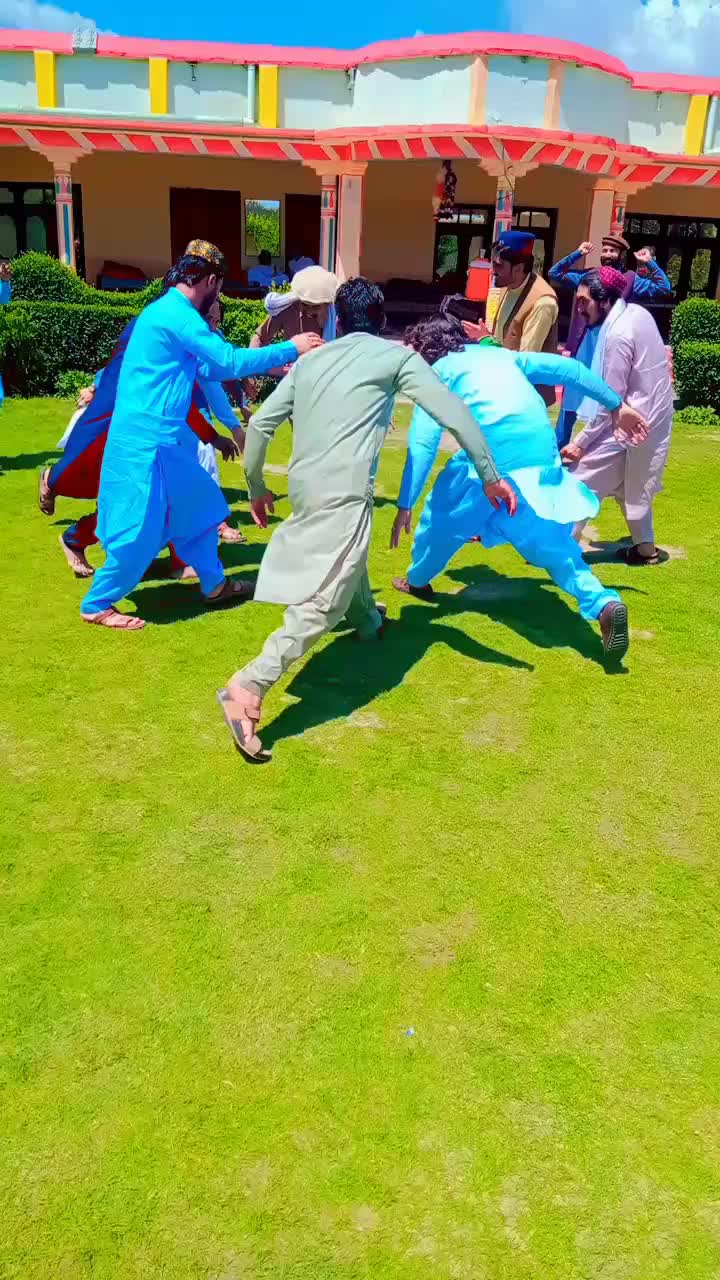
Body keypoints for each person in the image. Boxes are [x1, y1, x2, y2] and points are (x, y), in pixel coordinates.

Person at [216, 277, 517, 762]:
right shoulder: (395, 358)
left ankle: (369, 622)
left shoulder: (310, 361)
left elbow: (263, 423)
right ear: (380, 320)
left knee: (348, 562)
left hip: (305, 488)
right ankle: (249, 685)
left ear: (338, 318)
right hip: (344, 492)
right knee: (324, 600)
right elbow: (455, 414)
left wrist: (256, 487)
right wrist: (490, 476)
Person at [77, 240, 323, 630]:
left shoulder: (166, 313)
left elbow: (209, 370)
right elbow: (227, 360)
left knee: (203, 511)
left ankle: (215, 585)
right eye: (219, 288)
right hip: (148, 445)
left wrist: (277, 362)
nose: (218, 298)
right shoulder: (178, 316)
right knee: (138, 532)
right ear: (210, 281)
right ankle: (96, 603)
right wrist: (290, 348)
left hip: (165, 442)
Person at [390, 315, 648, 662]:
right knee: (554, 547)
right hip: (539, 463)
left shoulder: (438, 372)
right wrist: (617, 405)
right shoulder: (503, 355)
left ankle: (418, 579)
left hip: (487, 468)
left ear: (425, 351)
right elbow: (570, 370)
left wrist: (406, 502)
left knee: (440, 521)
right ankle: (602, 602)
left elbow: (423, 443)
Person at [40, 319, 241, 580]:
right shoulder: (156, 342)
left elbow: (194, 392)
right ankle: (75, 537)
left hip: (161, 441)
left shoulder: (183, 348)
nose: (212, 324)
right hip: (132, 441)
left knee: (172, 497)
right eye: (209, 317)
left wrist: (213, 436)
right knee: (135, 507)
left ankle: (179, 561)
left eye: (214, 318)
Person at [560, 267, 674, 566]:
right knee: (630, 485)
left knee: (582, 477)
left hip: (630, 423)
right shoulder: (638, 313)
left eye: (584, 301)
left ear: (606, 301)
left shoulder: (618, 335)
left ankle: (560, 548)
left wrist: (580, 443)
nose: (579, 309)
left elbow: (609, 400)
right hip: (653, 418)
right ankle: (645, 550)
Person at [550, 235, 673, 447]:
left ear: (621, 255)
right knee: (572, 394)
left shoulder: (630, 280)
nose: (608, 255)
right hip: (586, 343)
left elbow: (663, 288)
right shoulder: (590, 277)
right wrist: (578, 253)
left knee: (608, 396)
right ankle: (558, 446)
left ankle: (594, 448)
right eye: (605, 250)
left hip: (612, 347)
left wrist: (649, 263)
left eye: (613, 251)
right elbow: (555, 273)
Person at [490, 230, 559, 406]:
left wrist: (486, 342)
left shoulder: (543, 302)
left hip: (525, 398)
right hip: (503, 385)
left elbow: (526, 360)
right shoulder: (508, 285)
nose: (493, 270)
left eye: (499, 265)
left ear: (519, 268)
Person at [250, 265, 338, 377]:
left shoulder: (338, 317)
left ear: (327, 303)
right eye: (305, 305)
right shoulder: (288, 309)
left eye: (315, 307)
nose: (309, 311)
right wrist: (252, 374)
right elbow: (260, 339)